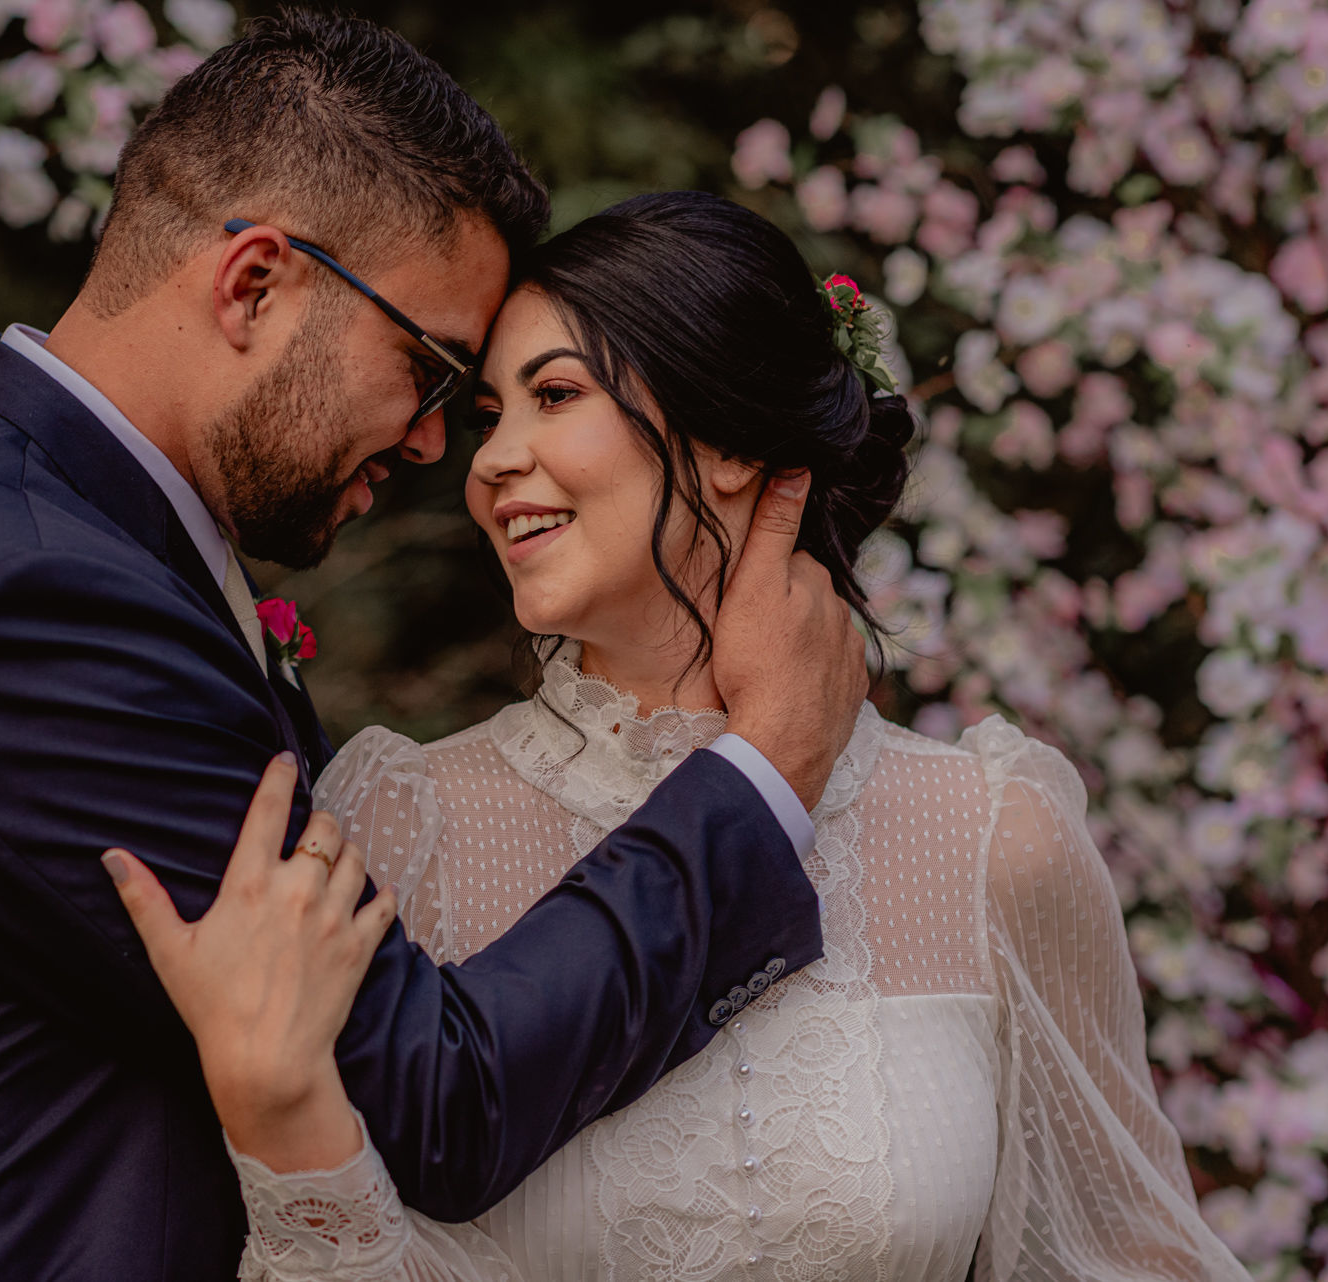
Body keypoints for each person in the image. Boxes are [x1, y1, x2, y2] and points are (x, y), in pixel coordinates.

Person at [0, 14, 870, 1282]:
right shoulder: (32, 601)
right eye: (434, 367)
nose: (440, 446)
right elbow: (436, 1100)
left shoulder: (38, 531)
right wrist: (768, 763)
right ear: (254, 284)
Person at [113, 191, 1256, 1281]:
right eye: (488, 415)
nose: (492, 460)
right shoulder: (398, 827)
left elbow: (1123, 1250)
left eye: (553, 395)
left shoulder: (994, 840)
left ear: (726, 440)